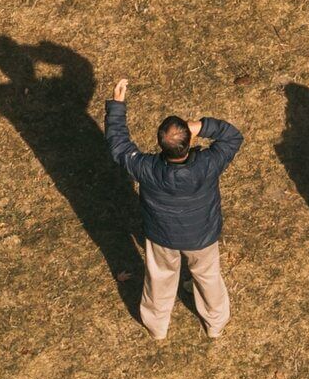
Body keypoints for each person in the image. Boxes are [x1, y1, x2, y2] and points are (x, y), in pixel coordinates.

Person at [103, 76, 241, 341]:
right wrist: (201, 126)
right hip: (202, 236)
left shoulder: (145, 168)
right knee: (208, 277)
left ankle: (157, 327)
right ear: (188, 142)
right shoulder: (208, 164)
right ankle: (215, 325)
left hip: (162, 236)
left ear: (160, 144)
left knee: (160, 279)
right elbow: (232, 137)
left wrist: (117, 105)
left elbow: (119, 145)